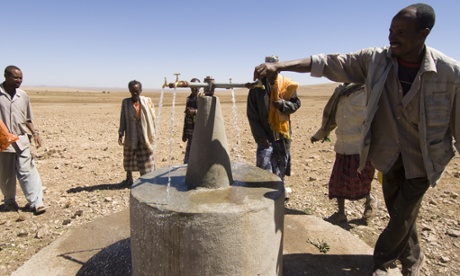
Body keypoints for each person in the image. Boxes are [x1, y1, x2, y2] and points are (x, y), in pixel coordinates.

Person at [253, 4, 460, 275]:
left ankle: (383, 261)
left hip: (424, 157)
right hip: (386, 154)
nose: (391, 37)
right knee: (400, 212)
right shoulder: (376, 61)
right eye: (390, 30)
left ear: (424, 33)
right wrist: (281, 65)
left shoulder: (450, 74)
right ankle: (414, 257)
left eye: (400, 31)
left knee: (403, 211)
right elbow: (328, 62)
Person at [311, 83, 377, 223]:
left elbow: (379, 118)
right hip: (342, 146)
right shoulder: (340, 91)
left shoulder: (369, 91)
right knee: (338, 181)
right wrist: (320, 134)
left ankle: (370, 202)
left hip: (361, 148)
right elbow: (331, 117)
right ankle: (341, 213)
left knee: (361, 181)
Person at [247, 55, 301, 200]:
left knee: (280, 166)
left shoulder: (287, 85)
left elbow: (296, 104)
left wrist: (283, 105)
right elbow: (252, 115)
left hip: (282, 135)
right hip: (265, 135)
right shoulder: (256, 88)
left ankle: (278, 195)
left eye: (273, 68)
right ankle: (263, 198)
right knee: (264, 168)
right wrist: (260, 136)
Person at [0, 65, 46, 215]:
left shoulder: (23, 96)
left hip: (21, 139)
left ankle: (36, 202)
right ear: (6, 76)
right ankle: (9, 202)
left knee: (28, 171)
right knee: (5, 174)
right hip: (3, 142)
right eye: (16, 77)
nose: (19, 80)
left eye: (21, 78)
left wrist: (35, 133)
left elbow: (27, 118)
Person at [118, 80, 156, 185]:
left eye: (137, 91)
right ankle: (129, 179)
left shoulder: (146, 102)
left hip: (144, 135)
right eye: (132, 91)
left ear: (141, 90)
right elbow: (123, 118)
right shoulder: (126, 103)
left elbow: (152, 117)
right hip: (131, 134)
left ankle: (146, 178)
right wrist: (121, 132)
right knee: (129, 156)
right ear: (129, 90)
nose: (135, 93)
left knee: (146, 156)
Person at [182, 78, 200, 164]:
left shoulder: (202, 97)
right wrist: (185, 133)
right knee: (189, 152)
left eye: (196, 86)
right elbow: (186, 117)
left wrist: (195, 112)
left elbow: (206, 112)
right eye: (193, 86)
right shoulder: (189, 98)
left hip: (200, 130)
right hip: (191, 130)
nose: (194, 88)